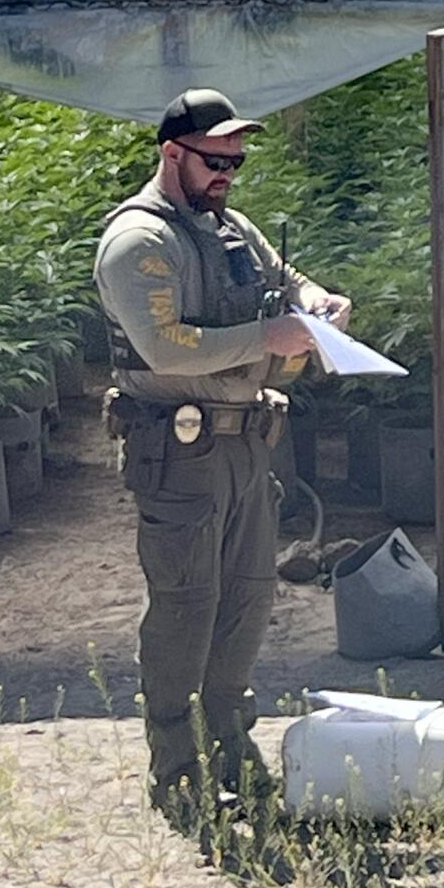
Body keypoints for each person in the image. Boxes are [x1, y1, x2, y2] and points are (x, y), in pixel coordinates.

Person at [94, 88, 350, 825]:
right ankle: (177, 768)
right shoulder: (138, 242)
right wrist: (268, 338)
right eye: (216, 159)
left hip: (247, 441)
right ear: (173, 153)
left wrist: (319, 301)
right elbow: (163, 344)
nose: (228, 173)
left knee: (246, 603)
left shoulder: (230, 226)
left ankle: (230, 750)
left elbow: (285, 281)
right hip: (180, 448)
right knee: (185, 607)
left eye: (236, 160)